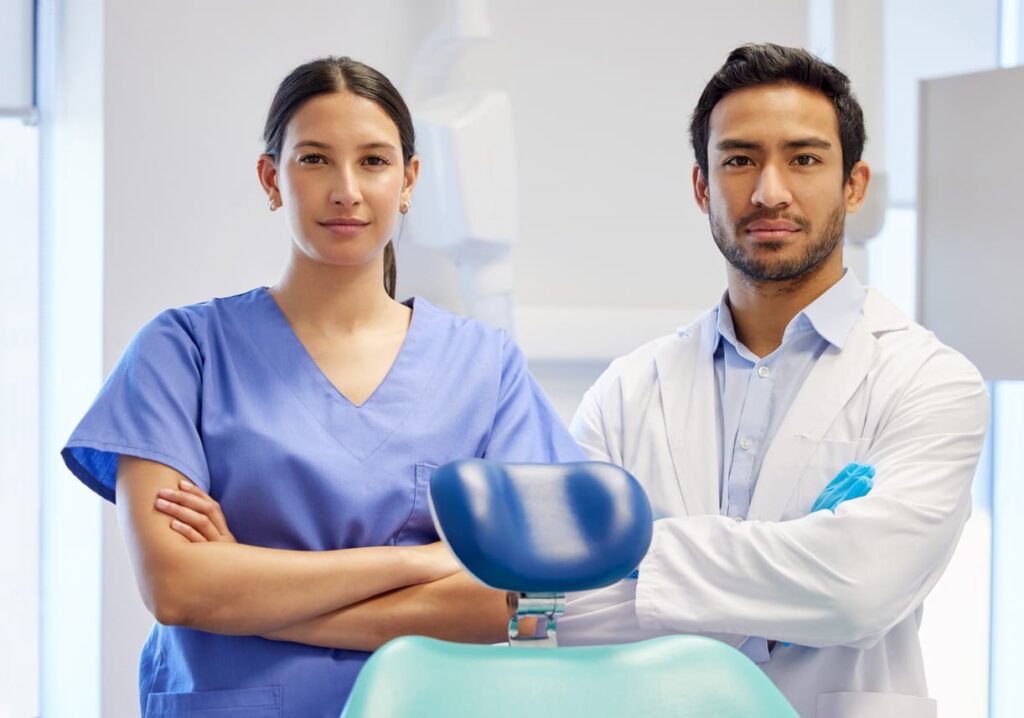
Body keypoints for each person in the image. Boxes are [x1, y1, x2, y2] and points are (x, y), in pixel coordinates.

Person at [61, 56, 583, 718]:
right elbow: (177, 587)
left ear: (410, 180)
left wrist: (250, 592)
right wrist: (421, 563)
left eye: (373, 161)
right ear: (270, 178)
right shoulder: (181, 353)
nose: (346, 190)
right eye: (314, 160)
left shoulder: (484, 367)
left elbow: (513, 603)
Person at [557, 44, 988, 718]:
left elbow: (858, 588)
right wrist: (793, 583)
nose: (769, 192)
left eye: (805, 158)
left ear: (855, 184)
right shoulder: (625, 391)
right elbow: (560, 606)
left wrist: (636, 554)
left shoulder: (931, 382)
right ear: (702, 186)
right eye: (739, 160)